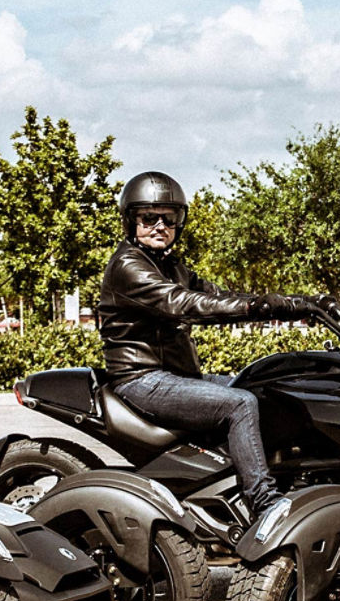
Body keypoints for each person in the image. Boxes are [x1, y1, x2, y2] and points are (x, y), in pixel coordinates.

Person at [98, 171, 323, 529]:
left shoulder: (171, 265)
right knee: (239, 403)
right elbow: (185, 304)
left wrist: (295, 303)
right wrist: (254, 309)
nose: (160, 225)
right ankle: (264, 505)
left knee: (264, 389)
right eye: (149, 217)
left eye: (169, 218)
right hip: (142, 378)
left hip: (176, 375)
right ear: (131, 220)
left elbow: (218, 296)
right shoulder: (129, 267)